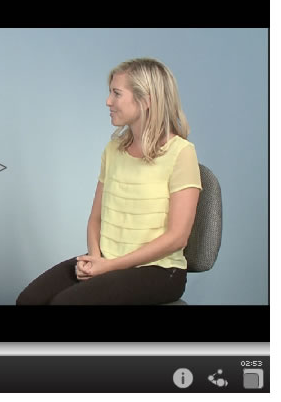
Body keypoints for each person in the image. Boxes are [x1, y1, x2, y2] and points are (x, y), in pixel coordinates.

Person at [17, 58, 201, 305]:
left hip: (159, 270)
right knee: (29, 301)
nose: (108, 101)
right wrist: (96, 258)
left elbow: (177, 238)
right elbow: (95, 219)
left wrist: (109, 266)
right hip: (108, 260)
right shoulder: (113, 150)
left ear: (146, 100)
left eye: (117, 93)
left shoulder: (181, 153)